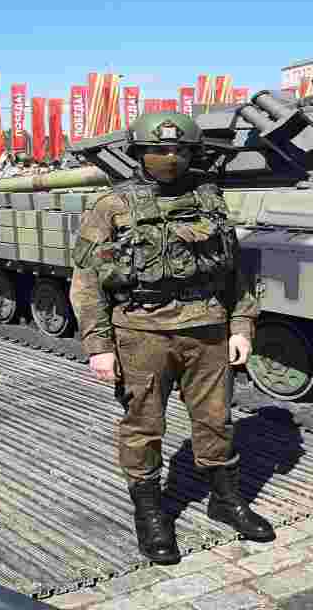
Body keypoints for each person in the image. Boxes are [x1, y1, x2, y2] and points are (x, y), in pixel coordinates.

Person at [68, 112, 273, 565]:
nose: (171, 157)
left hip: (207, 330)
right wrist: (99, 346)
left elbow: (235, 271)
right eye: (159, 149)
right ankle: (150, 511)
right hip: (141, 333)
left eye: (180, 149)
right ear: (138, 154)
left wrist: (241, 325)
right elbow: (86, 280)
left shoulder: (209, 199)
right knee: (143, 425)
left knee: (216, 420)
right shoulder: (111, 206)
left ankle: (225, 499)